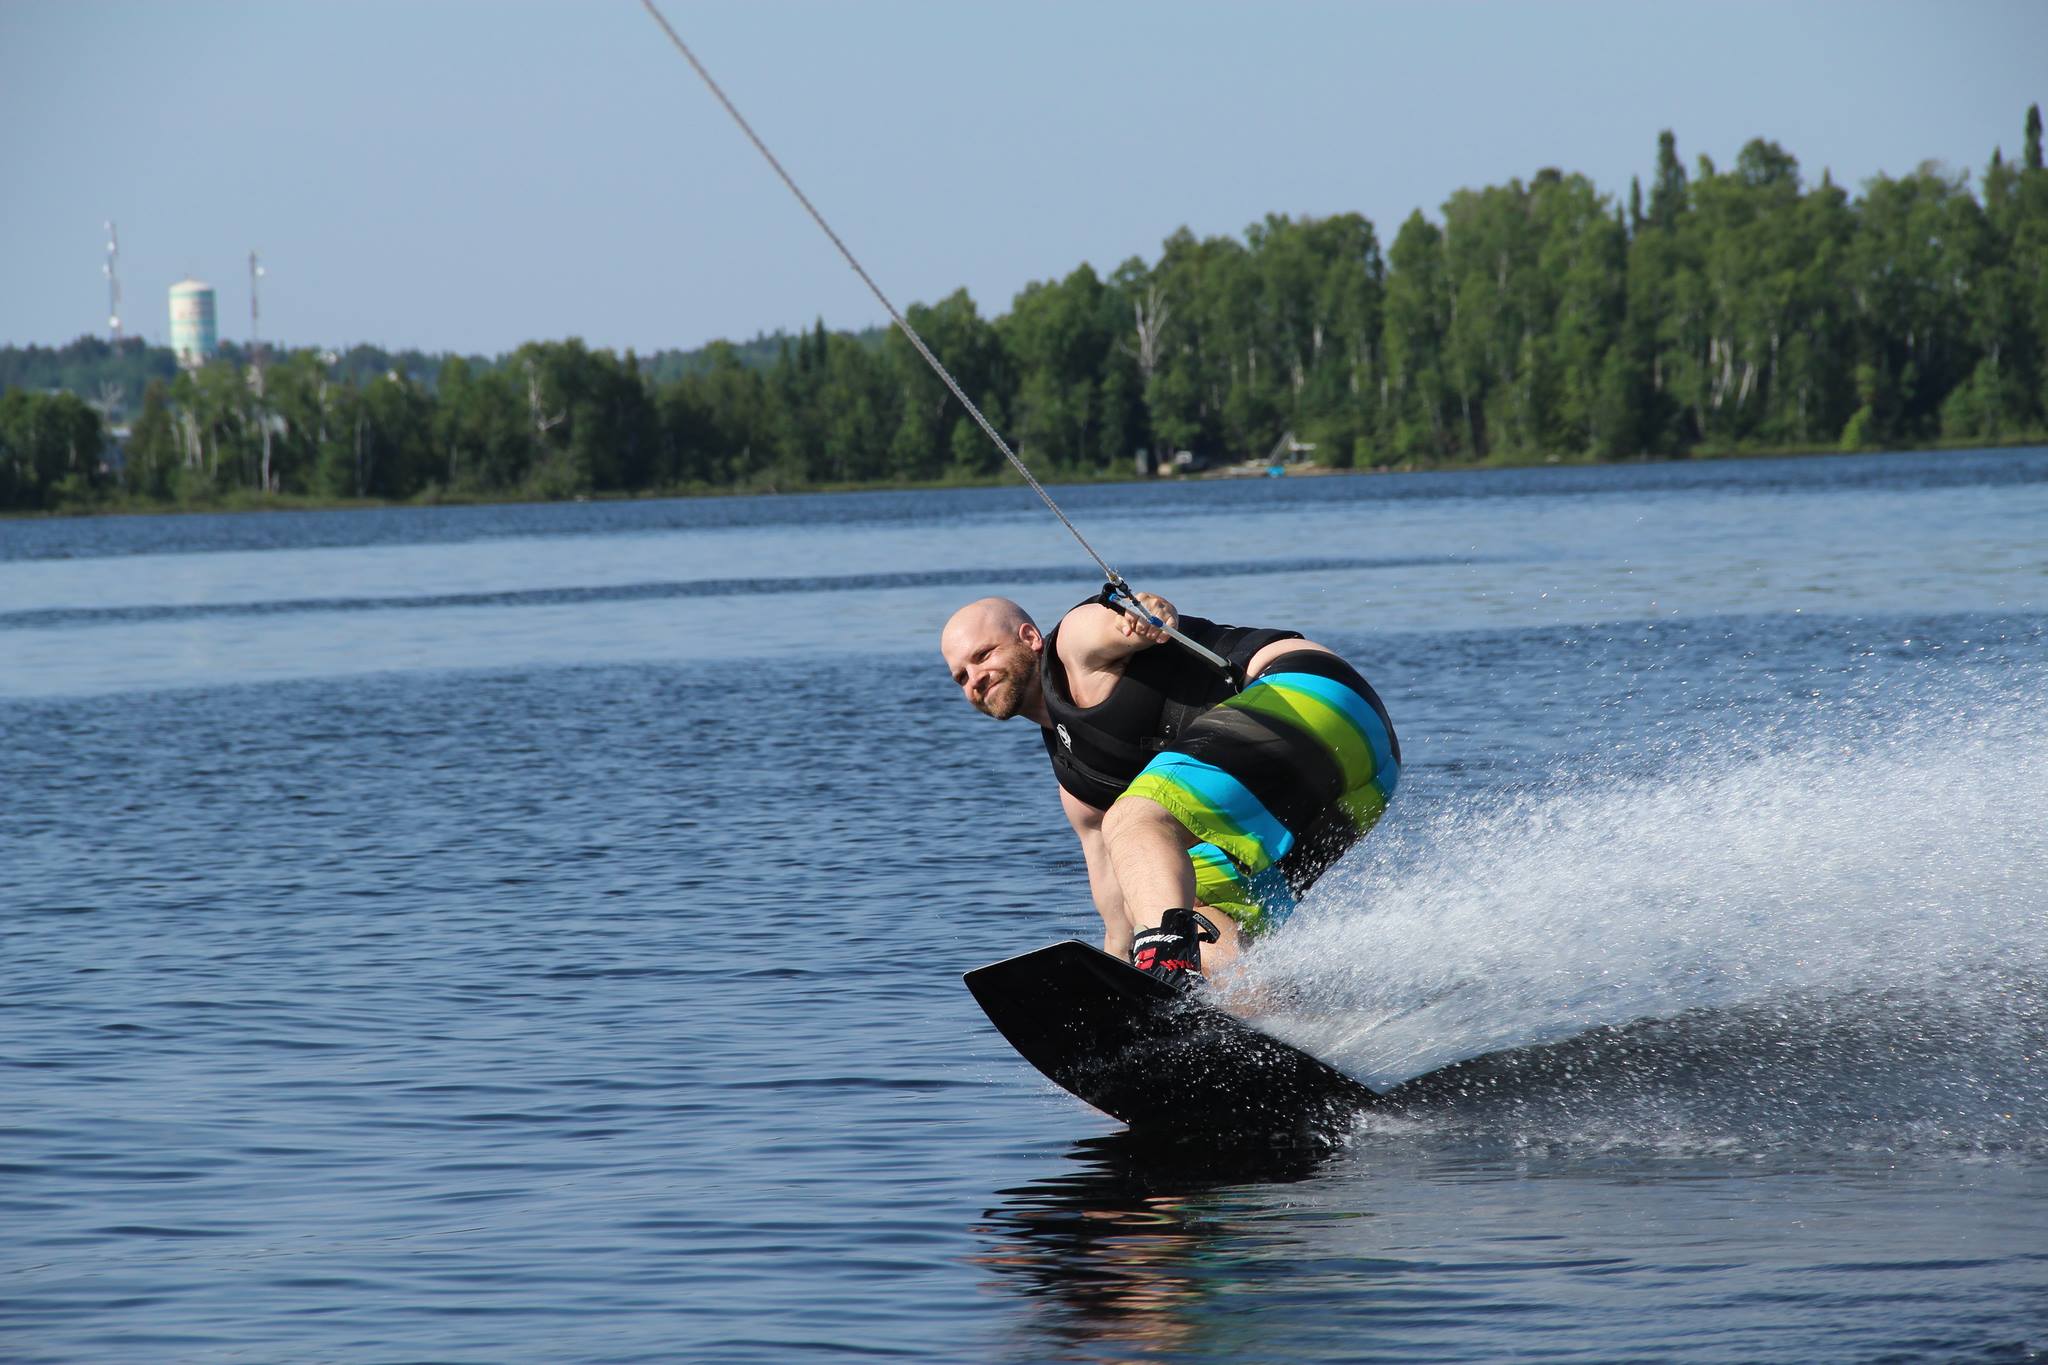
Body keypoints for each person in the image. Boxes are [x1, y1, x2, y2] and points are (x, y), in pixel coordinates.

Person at [940, 589, 1399, 991]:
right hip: (1360, 781)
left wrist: (1144, 612)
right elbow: (1121, 916)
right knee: (1200, 925)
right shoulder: (1079, 787)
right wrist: (1120, 1001)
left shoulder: (1073, 646)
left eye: (982, 656)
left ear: (1029, 638)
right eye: (961, 677)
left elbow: (1123, 618)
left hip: (1317, 699)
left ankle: (1167, 969)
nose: (975, 679)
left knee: (1135, 819)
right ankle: (1281, 1034)